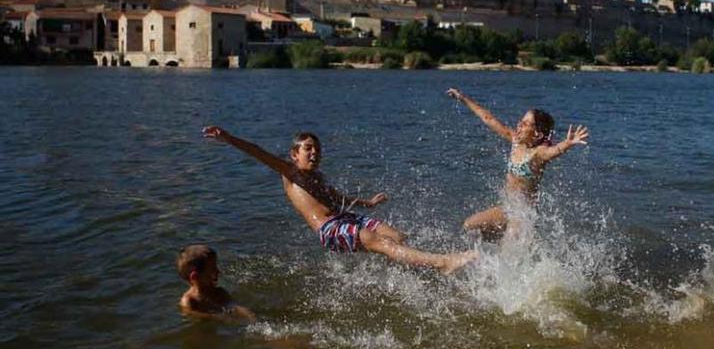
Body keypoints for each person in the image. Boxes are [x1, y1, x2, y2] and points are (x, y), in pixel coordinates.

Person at [201, 127, 477, 274]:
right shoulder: (290, 173)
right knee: (376, 241)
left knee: (396, 236)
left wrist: (367, 203)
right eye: (307, 149)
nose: (313, 154)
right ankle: (443, 263)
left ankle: (414, 269)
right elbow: (257, 151)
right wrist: (228, 138)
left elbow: (336, 197)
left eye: (317, 150)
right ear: (293, 154)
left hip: (347, 218)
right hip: (329, 230)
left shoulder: (317, 177)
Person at [446, 88, 589, 238]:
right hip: (508, 209)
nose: (519, 125)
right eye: (520, 121)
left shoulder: (538, 153)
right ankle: (487, 254)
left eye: (525, 123)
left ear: (537, 134)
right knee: (469, 225)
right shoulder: (515, 141)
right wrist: (463, 98)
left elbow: (554, 151)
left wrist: (568, 143)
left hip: (523, 215)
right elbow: (488, 119)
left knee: (508, 254)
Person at [177, 244, 255, 321]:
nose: (218, 271)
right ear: (195, 277)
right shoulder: (189, 300)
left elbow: (235, 306)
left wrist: (250, 315)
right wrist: (217, 317)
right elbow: (191, 314)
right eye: (213, 269)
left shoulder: (219, 292)